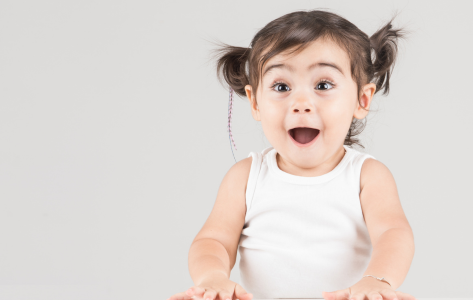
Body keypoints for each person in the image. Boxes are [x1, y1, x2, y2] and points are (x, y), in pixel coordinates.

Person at [169, 9, 416, 300]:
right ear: (255, 102)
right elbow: (214, 241)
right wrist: (212, 277)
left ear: (362, 99)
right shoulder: (247, 177)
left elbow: (393, 234)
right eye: (281, 86)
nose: (301, 103)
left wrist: (377, 281)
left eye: (323, 85)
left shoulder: (365, 176)